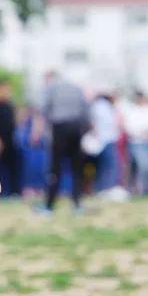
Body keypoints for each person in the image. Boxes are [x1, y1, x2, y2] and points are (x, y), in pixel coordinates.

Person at [38, 70, 88, 214]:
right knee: (76, 168)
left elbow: (45, 109)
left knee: (55, 168)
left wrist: (49, 127)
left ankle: (49, 205)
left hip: (59, 128)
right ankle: (77, 204)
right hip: (76, 128)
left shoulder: (52, 88)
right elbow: (85, 112)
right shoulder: (77, 89)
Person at [121, 92, 148, 195]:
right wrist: (140, 132)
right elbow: (129, 126)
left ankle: (146, 189)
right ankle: (139, 190)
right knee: (142, 166)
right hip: (137, 142)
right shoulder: (132, 111)